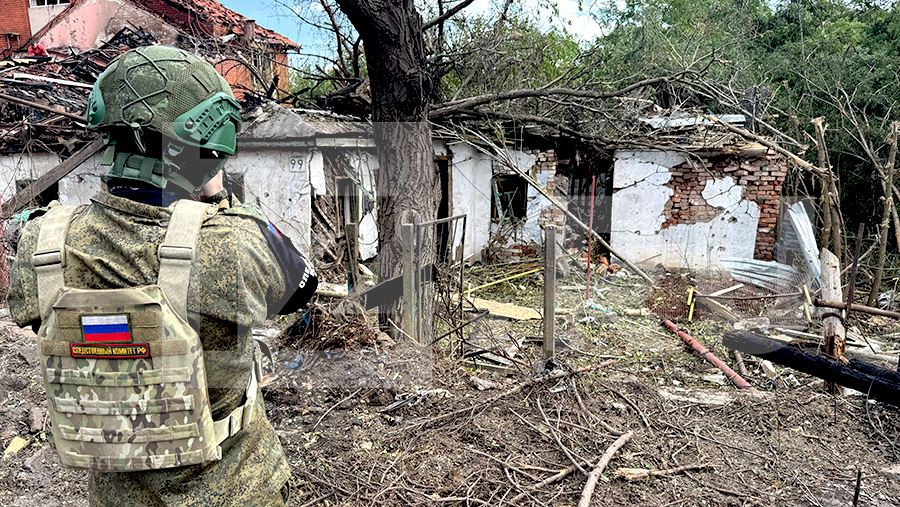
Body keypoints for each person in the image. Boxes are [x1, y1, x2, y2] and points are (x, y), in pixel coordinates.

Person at [8, 45, 316, 506]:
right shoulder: (235, 240)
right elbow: (302, 289)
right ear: (205, 143)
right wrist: (215, 197)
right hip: (236, 490)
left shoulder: (43, 243)